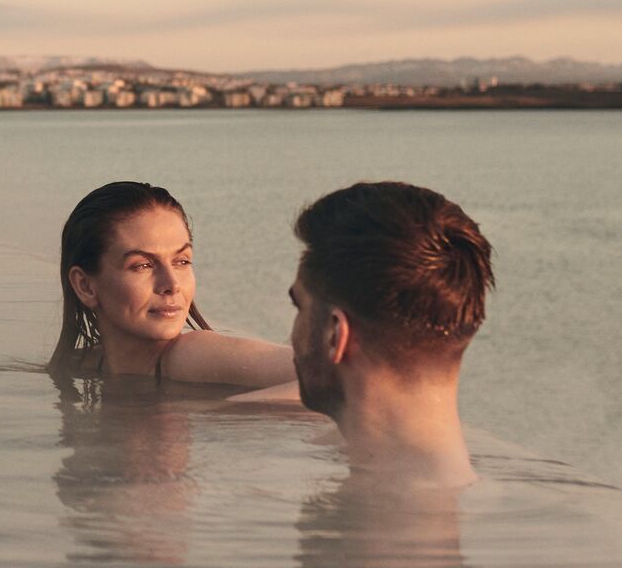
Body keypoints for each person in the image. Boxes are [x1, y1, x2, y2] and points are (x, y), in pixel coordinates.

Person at [286, 180, 494, 488]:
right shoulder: (469, 490)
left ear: (335, 335)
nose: (291, 333)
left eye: (299, 307)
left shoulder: (381, 520)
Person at [49, 181, 297, 396]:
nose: (171, 284)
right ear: (85, 286)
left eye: (182, 261)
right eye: (143, 265)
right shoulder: (82, 363)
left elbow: (332, 375)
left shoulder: (192, 355)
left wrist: (229, 412)